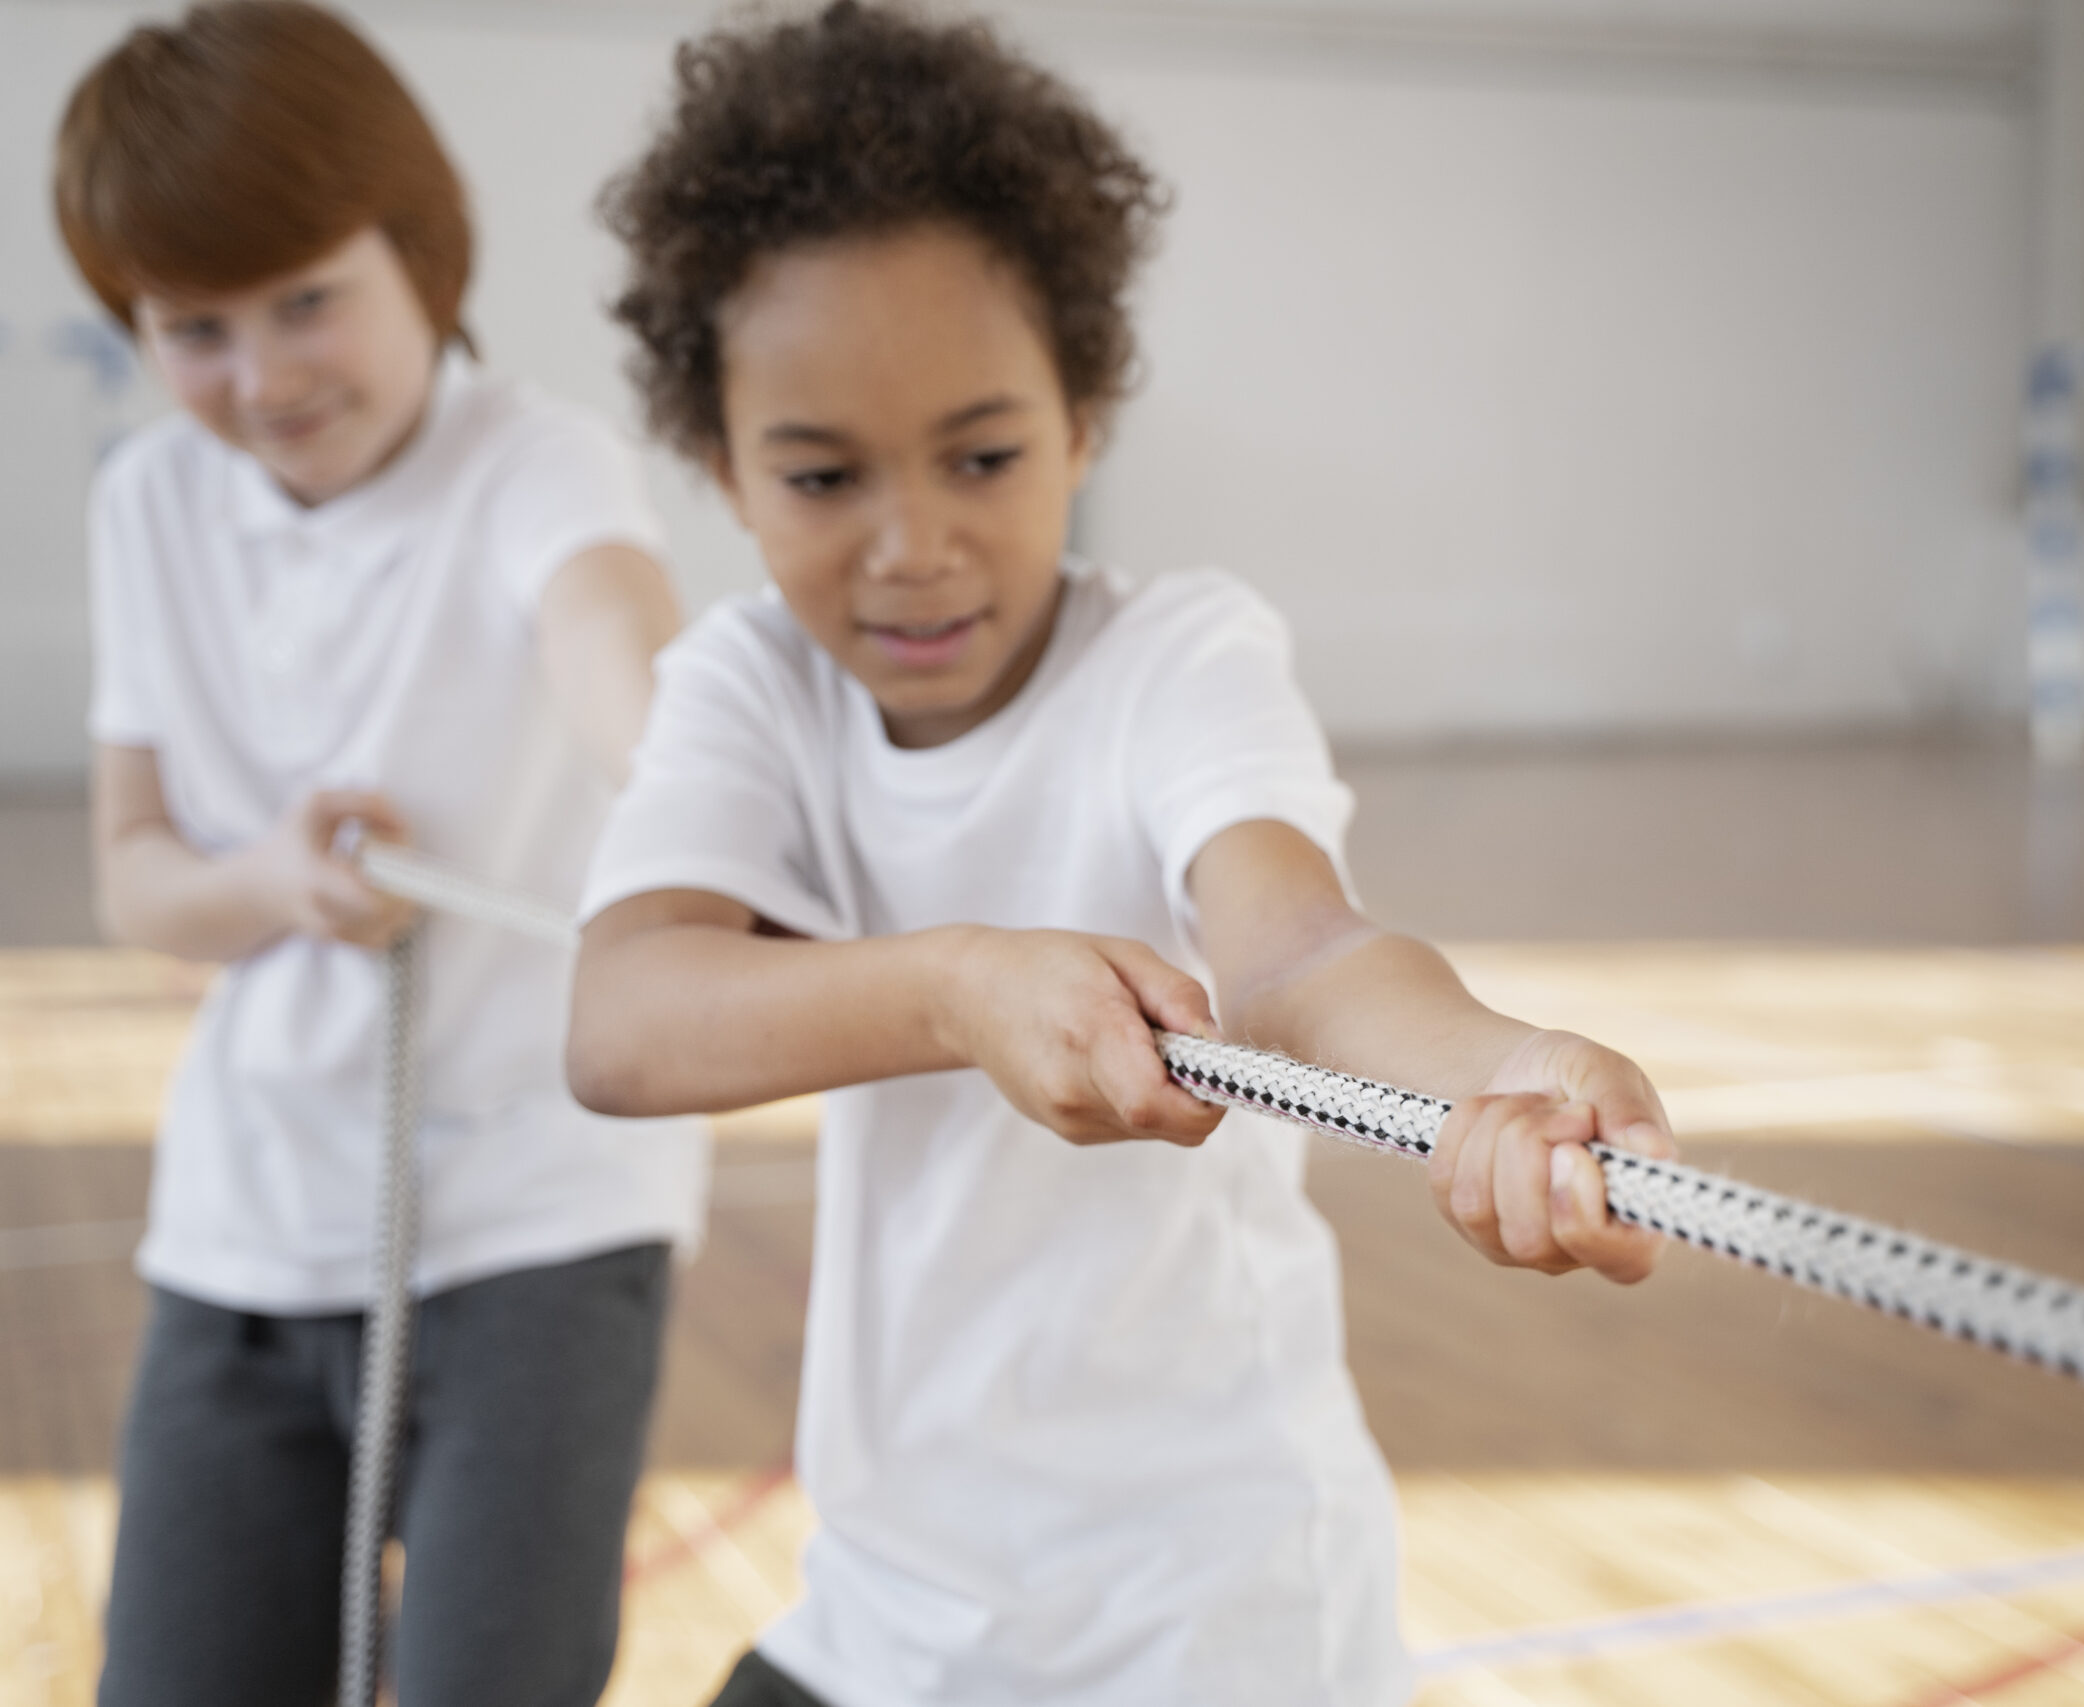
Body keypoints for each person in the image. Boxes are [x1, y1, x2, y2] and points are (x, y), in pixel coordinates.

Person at [570, 5, 1677, 1702]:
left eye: (985, 455)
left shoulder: (1178, 660)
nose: (914, 545)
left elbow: (1301, 957)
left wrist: (1506, 1068)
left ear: (1086, 416)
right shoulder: (750, 687)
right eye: (820, 474)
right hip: (898, 1599)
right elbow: (625, 1022)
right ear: (720, 460)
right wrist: (958, 987)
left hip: (1204, 1621)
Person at [54, 5, 707, 1703]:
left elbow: (619, 659)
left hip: (535, 1236)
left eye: (307, 301)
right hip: (247, 1229)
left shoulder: (536, 465)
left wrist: (703, 795)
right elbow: (136, 877)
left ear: (420, 255)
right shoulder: (148, 509)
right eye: (192, 330)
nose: (262, 378)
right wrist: (269, 880)